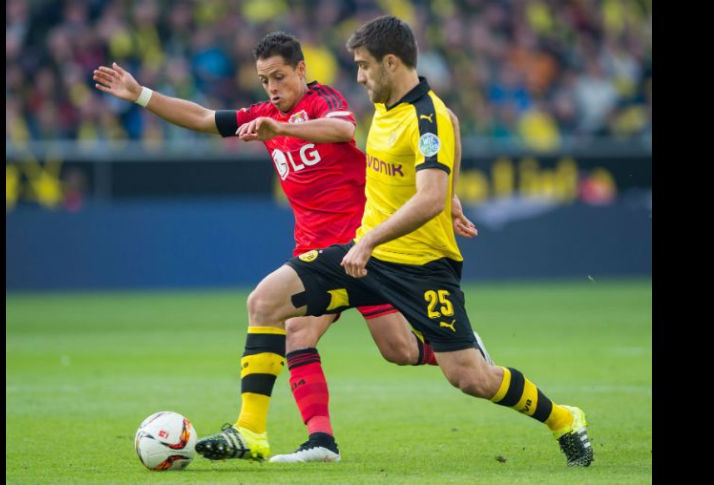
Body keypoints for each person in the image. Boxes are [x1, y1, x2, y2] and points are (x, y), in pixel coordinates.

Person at [194, 16, 593, 468]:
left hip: (421, 267)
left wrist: (418, 211)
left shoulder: (427, 117)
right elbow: (444, 135)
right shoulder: (387, 106)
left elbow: (428, 194)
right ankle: (250, 430)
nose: (359, 77)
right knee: (265, 303)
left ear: (390, 63)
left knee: (470, 377)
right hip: (363, 253)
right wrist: (449, 192)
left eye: (364, 66)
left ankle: (563, 418)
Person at [92, 31, 490, 463]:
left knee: (398, 350)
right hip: (315, 254)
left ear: (301, 69)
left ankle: (461, 352)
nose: (272, 88)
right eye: (264, 80)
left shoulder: (322, 101)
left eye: (279, 77)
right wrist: (141, 95)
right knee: (298, 331)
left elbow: (343, 128)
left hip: (365, 247)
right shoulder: (263, 115)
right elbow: (204, 118)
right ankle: (315, 440)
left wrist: (282, 128)